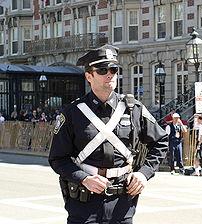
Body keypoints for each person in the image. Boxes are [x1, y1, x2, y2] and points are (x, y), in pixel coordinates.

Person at [48, 44, 168, 224]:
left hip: (122, 201)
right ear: (89, 76)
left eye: (113, 69)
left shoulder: (132, 108)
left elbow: (161, 141)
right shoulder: (73, 113)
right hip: (84, 202)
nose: (110, 74)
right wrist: (84, 178)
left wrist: (144, 173)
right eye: (103, 70)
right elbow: (58, 159)